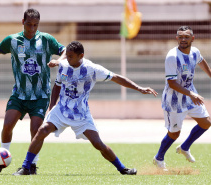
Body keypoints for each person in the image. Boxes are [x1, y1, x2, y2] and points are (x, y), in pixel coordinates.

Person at [12, 41, 158, 175]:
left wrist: (139, 88)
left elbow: (116, 77)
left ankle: (122, 169)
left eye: (71, 56)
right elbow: (57, 85)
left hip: (81, 113)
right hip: (61, 110)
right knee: (42, 131)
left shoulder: (92, 69)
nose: (67, 59)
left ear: (81, 56)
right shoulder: (63, 65)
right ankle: (26, 167)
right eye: (66, 56)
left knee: (97, 143)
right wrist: (51, 107)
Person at [0, 8, 66, 175]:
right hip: (19, 93)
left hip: (41, 95)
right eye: (29, 24)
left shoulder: (46, 40)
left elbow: (65, 50)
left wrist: (59, 60)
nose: (32, 28)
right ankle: (0, 162)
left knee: (36, 130)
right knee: (7, 125)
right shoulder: (13, 40)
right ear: (23, 22)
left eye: (35, 25)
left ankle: (32, 165)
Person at [153, 26, 211, 171]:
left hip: (191, 96)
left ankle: (185, 147)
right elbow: (172, 83)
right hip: (174, 101)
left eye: (186, 37)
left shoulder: (195, 51)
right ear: (176, 38)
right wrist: (191, 94)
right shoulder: (172, 56)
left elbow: (201, 61)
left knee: (206, 123)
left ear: (192, 38)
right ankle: (158, 158)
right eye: (180, 37)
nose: (183, 39)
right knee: (174, 133)